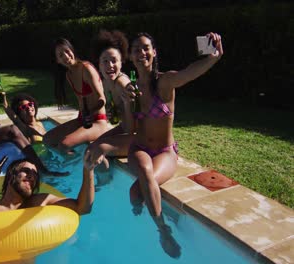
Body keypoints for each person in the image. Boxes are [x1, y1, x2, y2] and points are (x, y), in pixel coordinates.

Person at [126, 32, 223, 258]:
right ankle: (163, 228)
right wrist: (125, 100)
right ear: (130, 56)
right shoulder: (131, 87)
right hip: (139, 149)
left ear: (154, 52)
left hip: (164, 152)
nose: (142, 53)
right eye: (136, 49)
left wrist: (212, 58)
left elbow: (188, 73)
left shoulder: (165, 82)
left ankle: (161, 228)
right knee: (143, 170)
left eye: (146, 48)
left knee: (135, 191)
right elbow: (129, 127)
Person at [43, 38, 110, 154]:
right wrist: (83, 115)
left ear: (72, 50)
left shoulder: (86, 68)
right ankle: (74, 160)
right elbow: (81, 100)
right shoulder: (69, 74)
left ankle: (75, 163)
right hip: (83, 119)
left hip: (98, 121)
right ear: (58, 60)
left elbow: (102, 99)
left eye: (67, 51)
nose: (66, 56)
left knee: (64, 145)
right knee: (47, 140)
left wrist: (89, 112)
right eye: (60, 55)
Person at [83, 30, 136, 176]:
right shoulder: (106, 83)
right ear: (98, 65)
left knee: (94, 150)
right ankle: (104, 178)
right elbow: (120, 118)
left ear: (121, 62)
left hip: (140, 136)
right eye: (105, 61)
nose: (110, 65)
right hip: (124, 128)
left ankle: (105, 180)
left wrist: (127, 101)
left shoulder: (121, 82)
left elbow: (132, 128)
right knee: (90, 147)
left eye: (114, 60)